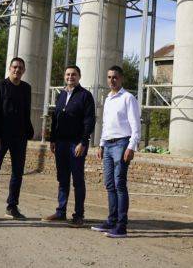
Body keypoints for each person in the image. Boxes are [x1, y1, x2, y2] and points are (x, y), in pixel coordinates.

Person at [91, 65, 141, 238]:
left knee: (119, 184)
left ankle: (121, 226)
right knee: (109, 184)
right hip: (108, 145)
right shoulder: (108, 99)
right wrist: (101, 144)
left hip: (122, 144)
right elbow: (106, 124)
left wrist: (131, 146)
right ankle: (111, 221)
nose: (112, 80)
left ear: (121, 79)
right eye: (109, 77)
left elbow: (135, 125)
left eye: (115, 77)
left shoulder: (128, 98)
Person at [0, 57, 34, 222]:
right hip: (0, 137)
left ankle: (12, 207)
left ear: (23, 71)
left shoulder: (26, 88)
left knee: (17, 173)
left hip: (20, 137)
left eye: (20, 68)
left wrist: (29, 131)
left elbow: (26, 112)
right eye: (14, 67)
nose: (17, 70)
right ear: (9, 69)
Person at [43, 65, 95, 227]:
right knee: (62, 178)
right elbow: (55, 117)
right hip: (61, 143)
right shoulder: (61, 94)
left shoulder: (85, 96)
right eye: (67, 74)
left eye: (73, 74)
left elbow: (89, 120)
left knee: (78, 180)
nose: (70, 77)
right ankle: (61, 212)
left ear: (79, 76)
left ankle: (78, 215)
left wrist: (83, 141)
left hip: (76, 144)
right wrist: (52, 139)